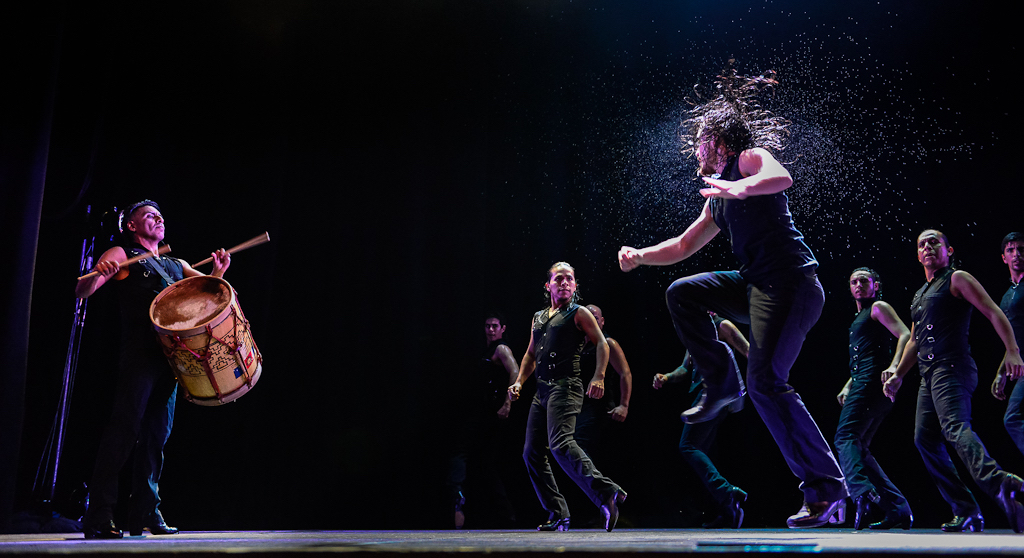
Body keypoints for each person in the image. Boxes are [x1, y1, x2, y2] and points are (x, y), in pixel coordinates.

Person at [617, 66, 847, 528]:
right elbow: (683, 246)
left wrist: (740, 185)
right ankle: (722, 381)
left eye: (701, 141)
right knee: (683, 291)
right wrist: (640, 255)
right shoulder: (715, 197)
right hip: (757, 286)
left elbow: (780, 177)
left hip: (793, 284)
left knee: (766, 385)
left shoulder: (746, 160)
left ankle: (827, 489)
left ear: (719, 141)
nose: (695, 151)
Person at [74, 200, 230, 539]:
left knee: (157, 436)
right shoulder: (121, 252)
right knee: (125, 431)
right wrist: (98, 274)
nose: (157, 219)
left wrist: (217, 272)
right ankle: (99, 515)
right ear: (131, 225)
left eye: (159, 215)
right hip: (140, 355)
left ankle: (145, 514)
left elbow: (208, 296)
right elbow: (83, 290)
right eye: (148, 215)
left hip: (171, 358)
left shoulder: (177, 264)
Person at [883, 229, 1024, 533]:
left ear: (948, 250)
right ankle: (967, 510)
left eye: (935, 242)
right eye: (922, 244)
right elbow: (914, 341)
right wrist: (897, 374)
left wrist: (1012, 351)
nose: (928, 247)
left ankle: (1002, 484)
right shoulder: (920, 295)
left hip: (953, 368)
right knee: (925, 439)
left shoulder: (957, 278)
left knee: (955, 428)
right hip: (928, 374)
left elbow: (993, 311)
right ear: (918, 255)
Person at [507, 262, 627, 532]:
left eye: (569, 279)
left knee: (560, 444)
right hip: (542, 391)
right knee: (531, 453)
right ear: (548, 285)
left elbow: (602, 344)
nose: (564, 283)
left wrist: (599, 375)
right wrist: (518, 382)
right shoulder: (538, 317)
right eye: (558, 279)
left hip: (566, 387)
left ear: (575, 286)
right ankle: (558, 513)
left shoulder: (579, 313)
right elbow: (529, 354)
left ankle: (606, 492)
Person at [653, 313, 749, 529]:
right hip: (704, 397)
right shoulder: (696, 331)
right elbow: (685, 368)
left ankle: (727, 494)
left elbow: (748, 351)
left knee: (688, 446)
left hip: (716, 394)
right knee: (704, 453)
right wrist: (666, 377)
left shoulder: (722, 326)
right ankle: (728, 512)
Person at [834, 268, 913, 530]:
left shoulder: (878, 307)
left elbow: (904, 334)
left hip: (872, 383)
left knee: (844, 437)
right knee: (860, 448)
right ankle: (898, 509)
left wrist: (894, 367)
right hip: (866, 383)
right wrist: (847, 385)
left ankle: (863, 493)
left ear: (875, 285)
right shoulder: (860, 317)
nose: (858, 285)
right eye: (854, 281)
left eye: (863, 281)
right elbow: (865, 358)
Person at [446, 312, 519, 529]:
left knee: (463, 453)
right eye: (487, 326)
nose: (490, 330)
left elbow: (515, 372)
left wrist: (508, 403)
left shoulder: (501, 349)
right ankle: (505, 514)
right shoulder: (487, 351)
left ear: (503, 328)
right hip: (481, 412)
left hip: (490, 414)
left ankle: (458, 496)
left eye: (495, 326)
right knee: (485, 464)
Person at [574, 304, 632, 460]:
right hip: (580, 406)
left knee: (581, 445)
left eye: (595, 318)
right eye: (588, 318)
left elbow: (625, 373)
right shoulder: (578, 346)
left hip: (599, 406)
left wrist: (624, 405)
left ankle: (592, 484)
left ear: (602, 321)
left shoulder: (608, 343)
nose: (591, 321)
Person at [991, 232, 1024, 456]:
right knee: (1012, 418)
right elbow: (1011, 341)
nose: (1017, 254)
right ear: (1003, 258)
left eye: (1021, 249)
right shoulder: (1006, 297)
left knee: (1013, 417)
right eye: (1011, 250)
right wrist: (1001, 373)